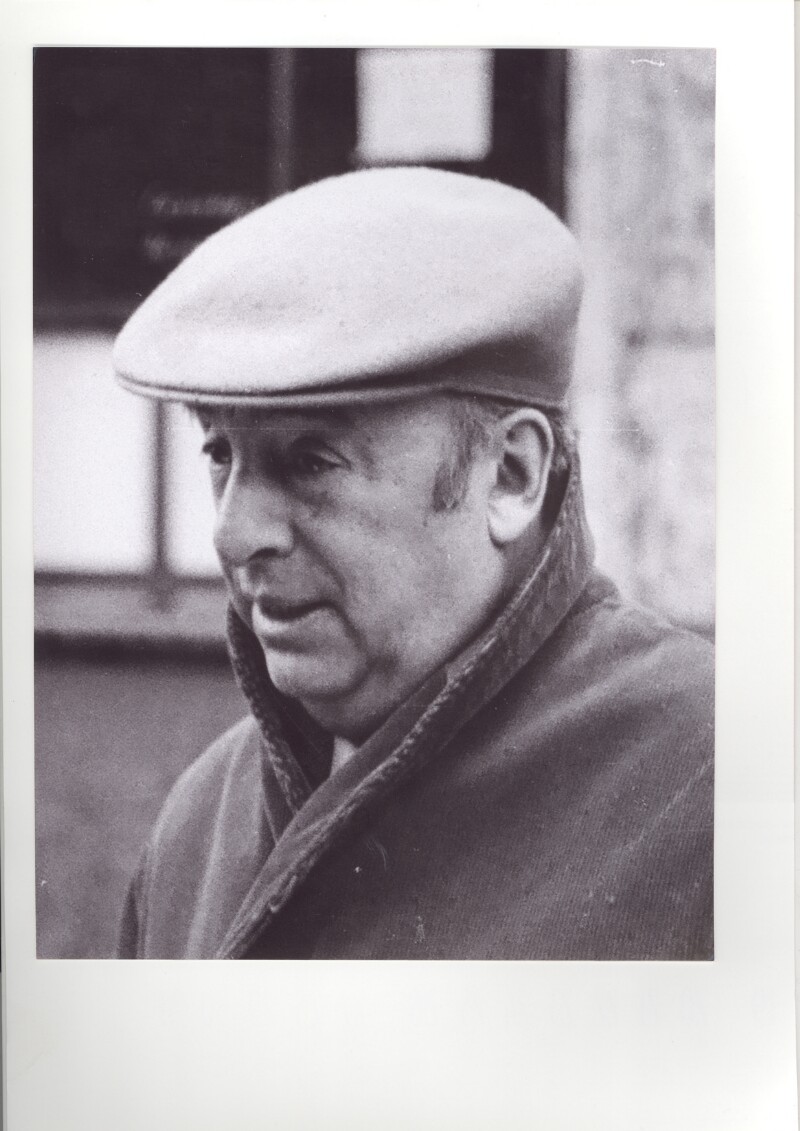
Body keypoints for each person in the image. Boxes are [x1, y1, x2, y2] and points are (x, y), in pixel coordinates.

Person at [113, 167, 713, 960]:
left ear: (511, 476)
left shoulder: (719, 785)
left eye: (310, 461)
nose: (233, 533)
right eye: (220, 454)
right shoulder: (198, 823)